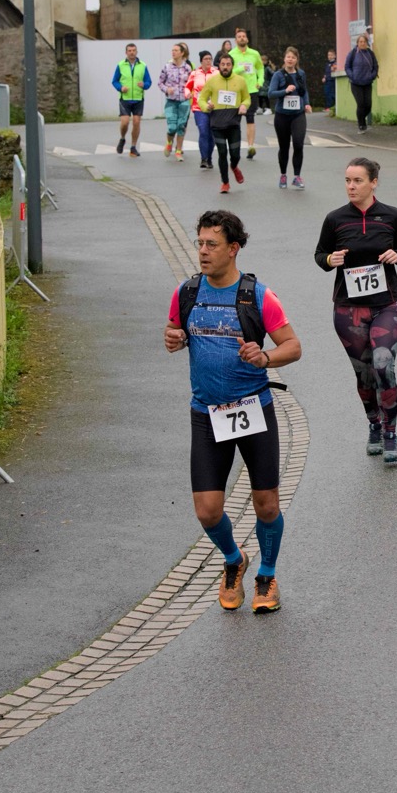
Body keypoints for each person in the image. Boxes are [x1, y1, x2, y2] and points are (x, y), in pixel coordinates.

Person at [164, 210, 302, 613]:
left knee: (267, 504)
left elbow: (293, 346)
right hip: (206, 413)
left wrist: (265, 357)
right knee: (207, 511)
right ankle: (233, 559)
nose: (203, 252)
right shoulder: (187, 292)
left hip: (252, 408)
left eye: (212, 244)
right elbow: (174, 330)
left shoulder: (257, 296)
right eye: (200, 243)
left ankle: (267, 575)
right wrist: (173, 338)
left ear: (233, 249)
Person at [314, 157, 397, 466]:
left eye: (357, 180)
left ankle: (390, 433)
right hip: (348, 309)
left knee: (383, 365)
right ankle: (374, 423)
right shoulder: (335, 219)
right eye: (347, 180)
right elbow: (320, 254)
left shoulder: (392, 216)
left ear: (373, 182)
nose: (351, 186)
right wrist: (330, 260)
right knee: (365, 373)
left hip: (386, 304)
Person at [197, 52, 250, 194]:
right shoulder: (212, 81)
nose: (225, 67)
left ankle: (234, 166)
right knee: (222, 153)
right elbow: (201, 99)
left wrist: (244, 105)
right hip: (217, 123)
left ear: (232, 66)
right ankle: (225, 182)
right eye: (223, 64)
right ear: (219, 66)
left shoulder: (240, 80)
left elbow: (247, 98)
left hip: (233, 123)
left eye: (228, 64)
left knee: (235, 154)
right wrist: (206, 107)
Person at [268, 46, 312, 190]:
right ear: (284, 59)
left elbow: (304, 91)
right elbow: (271, 93)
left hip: (298, 115)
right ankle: (283, 175)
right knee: (284, 147)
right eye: (288, 57)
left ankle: (297, 176)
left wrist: (307, 104)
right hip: (282, 116)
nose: (290, 60)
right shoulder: (278, 75)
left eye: (293, 57)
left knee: (298, 144)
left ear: (296, 60)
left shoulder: (301, 74)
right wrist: (285, 91)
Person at [230, 27, 264, 159]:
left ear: (247, 39)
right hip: (236, 90)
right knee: (235, 120)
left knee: (250, 117)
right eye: (239, 37)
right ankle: (236, 146)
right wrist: (240, 69)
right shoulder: (232, 54)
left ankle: (250, 146)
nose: (242, 38)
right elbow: (228, 71)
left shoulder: (254, 54)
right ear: (235, 40)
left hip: (252, 90)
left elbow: (260, 68)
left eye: (243, 36)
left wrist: (260, 81)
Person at [112, 42, 151, 157]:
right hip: (125, 98)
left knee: (136, 122)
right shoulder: (120, 65)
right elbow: (114, 81)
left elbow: (149, 81)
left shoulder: (143, 65)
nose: (132, 53)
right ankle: (122, 138)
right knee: (124, 122)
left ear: (137, 52)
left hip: (138, 98)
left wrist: (144, 85)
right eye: (129, 51)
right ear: (126, 52)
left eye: (133, 50)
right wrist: (120, 88)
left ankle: (133, 147)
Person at [158, 42, 193, 161]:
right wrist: (166, 89)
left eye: (176, 50)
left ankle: (178, 151)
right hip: (171, 101)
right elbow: (160, 83)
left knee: (181, 126)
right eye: (172, 50)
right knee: (172, 127)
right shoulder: (167, 67)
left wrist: (190, 92)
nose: (173, 52)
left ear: (182, 53)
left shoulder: (187, 68)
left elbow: (191, 83)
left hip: (184, 101)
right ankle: (169, 142)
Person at [185, 51, 217, 168]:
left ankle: (209, 158)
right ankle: (204, 158)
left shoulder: (216, 73)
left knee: (211, 134)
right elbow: (187, 87)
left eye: (210, 58)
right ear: (201, 61)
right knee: (203, 131)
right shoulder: (195, 73)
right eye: (206, 59)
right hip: (198, 107)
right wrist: (187, 94)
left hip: (214, 108)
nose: (208, 61)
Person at [344, 34, 378, 133]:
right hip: (356, 83)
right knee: (361, 104)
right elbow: (347, 66)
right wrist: (352, 76)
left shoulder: (370, 53)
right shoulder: (353, 53)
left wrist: (372, 75)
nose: (362, 43)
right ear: (357, 43)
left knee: (368, 105)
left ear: (367, 43)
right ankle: (361, 125)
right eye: (360, 42)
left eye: (364, 42)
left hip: (367, 83)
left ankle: (361, 120)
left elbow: (376, 66)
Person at [322, 48, 337, 116]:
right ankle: (328, 107)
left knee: (332, 94)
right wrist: (324, 77)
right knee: (327, 93)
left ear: (335, 56)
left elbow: (334, 71)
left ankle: (331, 107)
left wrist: (334, 68)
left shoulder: (335, 63)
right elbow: (326, 72)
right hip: (327, 81)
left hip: (332, 81)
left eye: (331, 55)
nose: (329, 56)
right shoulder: (327, 64)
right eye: (328, 55)